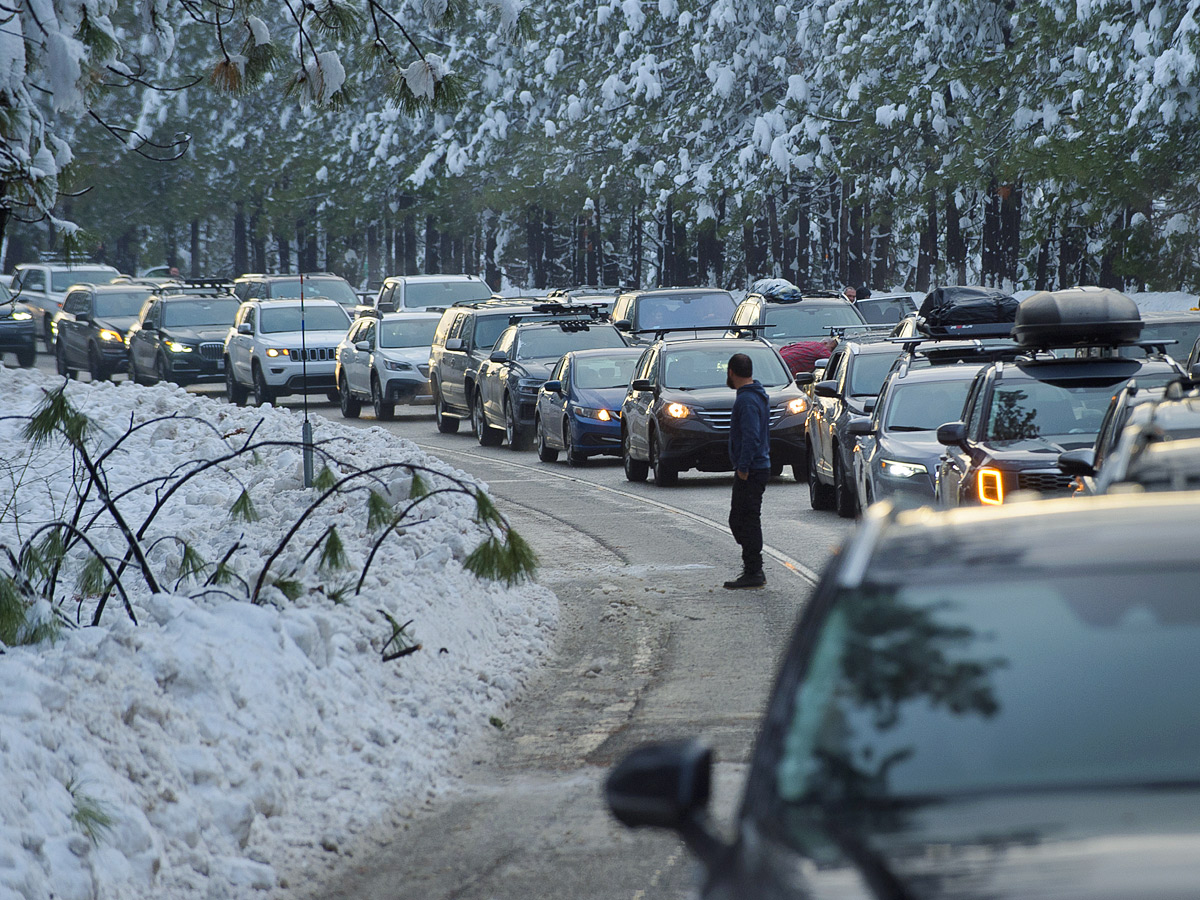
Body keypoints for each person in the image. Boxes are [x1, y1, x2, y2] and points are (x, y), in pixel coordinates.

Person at [725, 352, 771, 589]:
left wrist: (743, 466)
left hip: (752, 468)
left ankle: (754, 569)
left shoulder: (747, 400)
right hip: (757, 466)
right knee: (741, 518)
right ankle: (753, 567)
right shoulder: (755, 395)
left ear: (731, 372)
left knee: (745, 519)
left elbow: (751, 435)